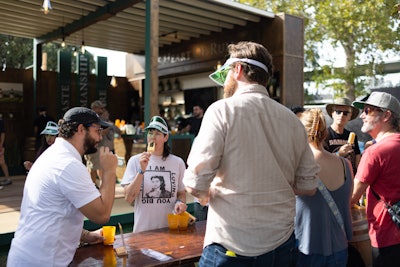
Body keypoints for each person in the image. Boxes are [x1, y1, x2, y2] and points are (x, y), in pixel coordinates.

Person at [183, 41, 320, 267]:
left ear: (238, 70)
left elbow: (195, 184)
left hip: (231, 246)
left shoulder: (221, 110)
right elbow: (308, 186)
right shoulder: (292, 121)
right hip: (281, 245)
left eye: (227, 72)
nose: (225, 79)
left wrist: (209, 192)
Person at [7, 107, 118, 267]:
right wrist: (108, 171)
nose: (100, 136)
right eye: (97, 130)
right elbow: (101, 215)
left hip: (30, 257)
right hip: (42, 261)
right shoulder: (68, 165)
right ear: (81, 129)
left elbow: (53, 212)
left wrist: (86, 235)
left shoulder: (53, 155)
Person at [296, 108, 354, 267]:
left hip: (305, 247)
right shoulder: (345, 165)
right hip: (340, 247)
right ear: (324, 133)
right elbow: (347, 203)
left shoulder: (298, 165)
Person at [350, 91, 400, 267]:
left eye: (369, 110)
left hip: (386, 237)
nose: (362, 115)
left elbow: (351, 198)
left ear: (386, 115)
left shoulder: (375, 152)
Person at [121, 115, 187, 233]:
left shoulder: (177, 162)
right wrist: (141, 171)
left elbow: (181, 193)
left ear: (166, 137)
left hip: (170, 230)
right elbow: (129, 197)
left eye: (157, 134)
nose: (153, 137)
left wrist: (180, 202)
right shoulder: (135, 161)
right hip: (143, 232)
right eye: (150, 133)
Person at [85, 100, 119, 186]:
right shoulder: (91, 118)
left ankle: (102, 188)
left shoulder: (104, 119)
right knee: (93, 169)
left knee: (102, 169)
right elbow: (101, 132)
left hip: (105, 148)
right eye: (100, 108)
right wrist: (109, 125)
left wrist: (110, 123)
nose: (102, 110)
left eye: (103, 108)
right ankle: (93, 189)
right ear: (94, 108)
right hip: (94, 148)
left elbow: (118, 131)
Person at [325, 97, 361, 174]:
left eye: (345, 113)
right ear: (332, 113)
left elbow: (357, 159)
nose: (341, 115)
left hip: (349, 177)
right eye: (338, 112)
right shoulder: (324, 134)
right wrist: (339, 154)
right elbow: (321, 159)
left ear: (350, 116)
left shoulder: (352, 136)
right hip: (331, 178)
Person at [0, 114, 11, 187]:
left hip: (0, 145)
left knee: (2, 161)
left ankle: (7, 178)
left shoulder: (0, 122)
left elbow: (2, 133)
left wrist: (1, 144)